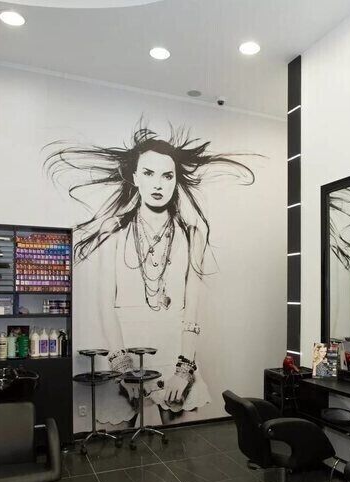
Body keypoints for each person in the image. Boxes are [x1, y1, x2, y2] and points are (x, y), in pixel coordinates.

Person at [45, 123, 254, 426]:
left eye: (167, 175)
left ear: (176, 180)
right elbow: (105, 306)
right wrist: (124, 369)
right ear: (134, 177)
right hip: (124, 348)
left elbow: (192, 310)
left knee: (180, 439)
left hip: (173, 348)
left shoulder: (191, 234)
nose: (158, 184)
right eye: (148, 173)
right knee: (120, 438)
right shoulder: (113, 230)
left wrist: (184, 370)